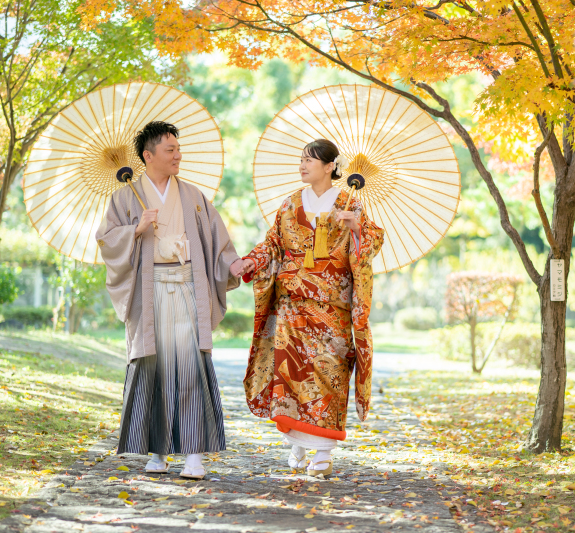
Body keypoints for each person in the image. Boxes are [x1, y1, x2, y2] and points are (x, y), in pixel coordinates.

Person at [96, 121, 243, 479]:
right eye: (170, 150)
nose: (178, 155)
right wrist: (136, 229)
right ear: (148, 156)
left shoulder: (193, 196)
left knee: (192, 367)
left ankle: (194, 455)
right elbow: (106, 240)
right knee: (155, 370)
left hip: (188, 287)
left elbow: (218, 242)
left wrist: (235, 265)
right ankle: (158, 453)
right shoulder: (124, 198)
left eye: (178, 149)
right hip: (151, 293)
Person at [237, 138, 384, 477]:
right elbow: (273, 244)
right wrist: (251, 261)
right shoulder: (290, 204)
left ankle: (324, 452)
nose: (302, 165)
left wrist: (356, 228)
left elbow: (372, 241)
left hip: (332, 306)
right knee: (292, 376)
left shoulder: (350, 203)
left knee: (330, 375)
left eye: (310, 160)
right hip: (293, 306)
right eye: (301, 159)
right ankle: (299, 443)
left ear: (330, 166)